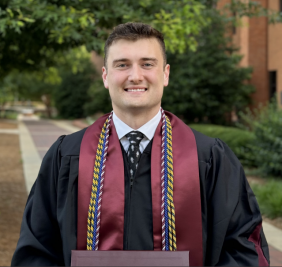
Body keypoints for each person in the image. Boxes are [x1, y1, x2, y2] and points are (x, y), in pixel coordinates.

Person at [12, 22, 269, 266]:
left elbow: (243, 246)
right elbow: (37, 249)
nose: (135, 76)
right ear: (105, 76)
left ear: (165, 74)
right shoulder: (67, 155)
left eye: (147, 64)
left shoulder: (210, 158)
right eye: (122, 65)